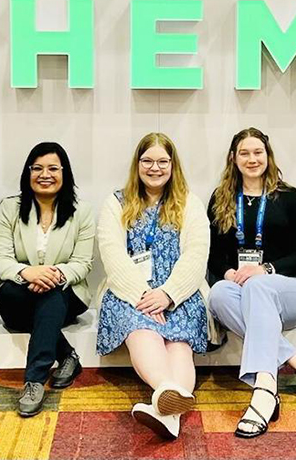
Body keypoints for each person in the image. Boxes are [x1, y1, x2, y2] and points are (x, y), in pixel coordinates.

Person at [206, 127, 296, 438]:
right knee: (219, 294)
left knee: (258, 286)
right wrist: (228, 274)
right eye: (245, 153)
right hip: (243, 291)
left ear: (268, 155)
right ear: (233, 158)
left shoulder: (287, 196)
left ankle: (264, 389)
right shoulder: (221, 198)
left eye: (257, 152)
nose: (252, 159)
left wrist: (267, 269)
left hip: (289, 291)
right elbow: (214, 257)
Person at [96, 132, 211, 440]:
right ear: (137, 164)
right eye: (147, 161)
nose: (155, 167)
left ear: (173, 165)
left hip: (180, 293)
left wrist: (168, 294)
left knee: (179, 343)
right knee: (142, 329)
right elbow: (112, 254)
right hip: (129, 293)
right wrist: (144, 296)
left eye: (162, 161)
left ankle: (165, 407)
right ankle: (167, 394)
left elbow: (197, 254)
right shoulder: (115, 202)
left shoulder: (190, 203)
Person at [0, 142, 95, 417]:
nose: (44, 174)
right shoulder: (10, 208)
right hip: (19, 294)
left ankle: (34, 381)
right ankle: (67, 356)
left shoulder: (82, 211)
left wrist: (54, 274)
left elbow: (83, 263)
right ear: (28, 172)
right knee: (16, 295)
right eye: (37, 168)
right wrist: (27, 273)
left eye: (52, 168)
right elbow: (1, 259)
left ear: (65, 173)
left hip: (66, 294)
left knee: (51, 295)